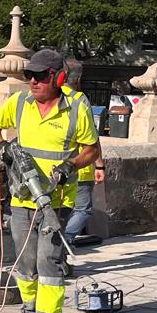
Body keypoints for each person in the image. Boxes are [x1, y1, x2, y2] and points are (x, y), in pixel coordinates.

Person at [0, 49, 101, 313]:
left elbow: (91, 148)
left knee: (48, 263)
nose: (33, 82)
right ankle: (31, 310)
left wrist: (70, 166)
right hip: (22, 198)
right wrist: (3, 147)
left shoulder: (77, 107)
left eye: (40, 76)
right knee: (25, 262)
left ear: (58, 77)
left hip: (57, 200)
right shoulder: (20, 103)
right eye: (29, 76)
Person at [59, 58, 106, 246]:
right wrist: (99, 165)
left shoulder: (48, 97)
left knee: (57, 209)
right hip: (80, 165)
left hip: (53, 166)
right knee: (82, 209)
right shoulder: (80, 100)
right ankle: (65, 240)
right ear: (78, 79)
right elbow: (92, 139)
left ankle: (54, 241)